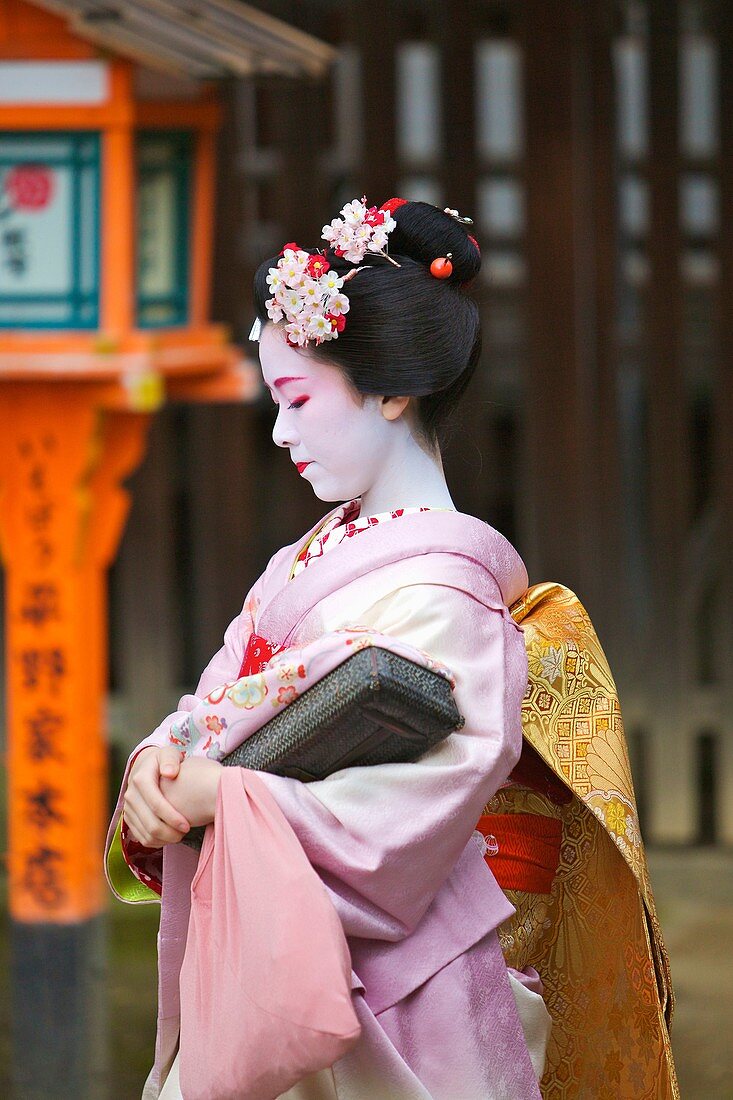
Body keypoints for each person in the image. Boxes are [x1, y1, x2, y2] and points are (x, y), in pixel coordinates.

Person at [105, 198, 552, 1099]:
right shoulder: (305, 556)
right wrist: (161, 764)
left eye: (298, 399)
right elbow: (222, 690)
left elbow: (418, 803)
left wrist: (223, 795)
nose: (280, 432)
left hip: (401, 986)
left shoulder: (448, 588)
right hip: (262, 947)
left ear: (392, 391)